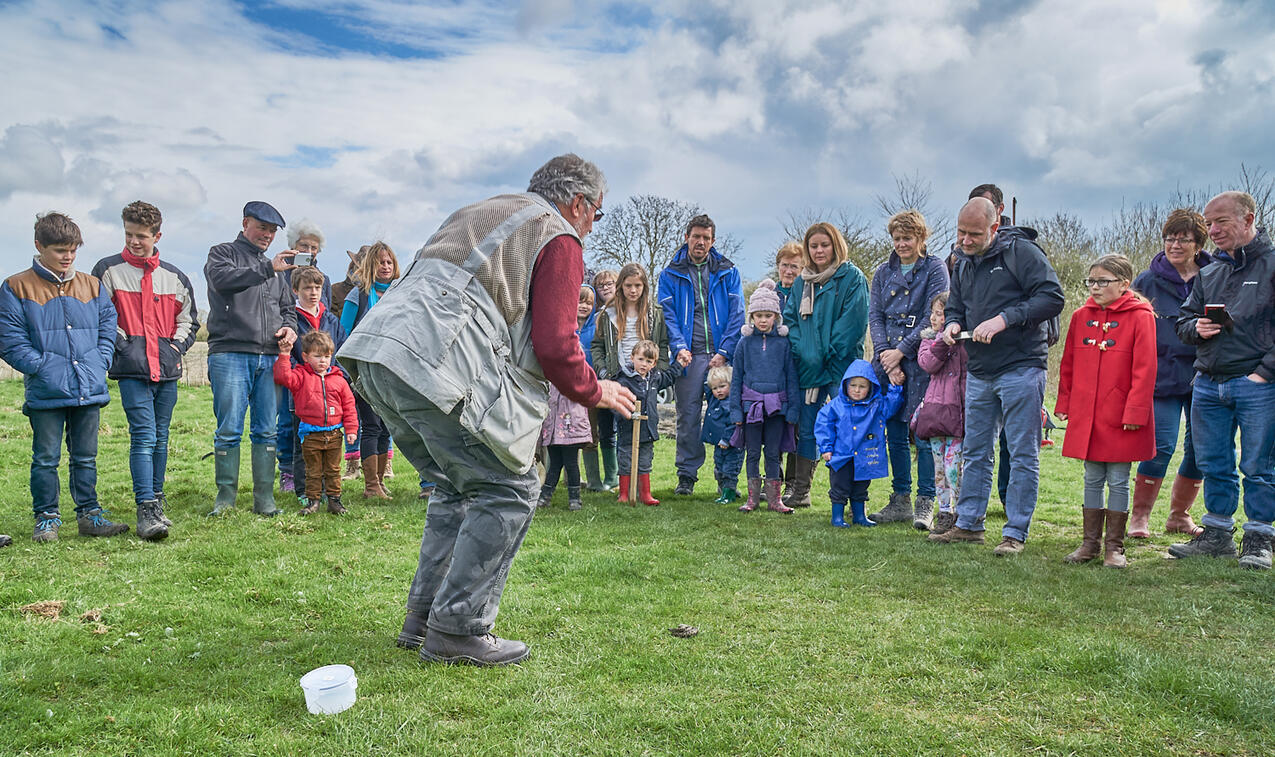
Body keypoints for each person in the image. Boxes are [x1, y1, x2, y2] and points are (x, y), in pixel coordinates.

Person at [337, 154, 635, 666]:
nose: (591, 225)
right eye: (597, 214)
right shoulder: (557, 234)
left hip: (381, 352)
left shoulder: (484, 210)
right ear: (580, 203)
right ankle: (458, 627)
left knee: (456, 486)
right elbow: (555, 343)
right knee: (510, 487)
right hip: (432, 359)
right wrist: (597, 390)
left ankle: (423, 619)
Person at [930, 197, 1064, 555]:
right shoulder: (962, 261)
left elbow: (1052, 298)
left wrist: (1005, 319)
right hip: (980, 369)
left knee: (1022, 453)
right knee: (975, 451)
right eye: (961, 232)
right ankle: (969, 523)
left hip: (1021, 366)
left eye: (974, 233)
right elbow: (956, 303)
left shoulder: (1023, 253)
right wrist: (955, 322)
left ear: (995, 226)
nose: (965, 240)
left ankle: (1015, 532)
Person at [0, 212, 123, 541]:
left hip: (90, 386)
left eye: (72, 250)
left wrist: (100, 360)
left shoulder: (92, 285)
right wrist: (43, 367)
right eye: (59, 250)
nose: (67, 257)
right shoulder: (15, 286)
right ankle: (46, 518)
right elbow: (10, 340)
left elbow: (108, 328)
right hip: (46, 390)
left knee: (86, 456)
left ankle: (90, 516)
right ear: (39, 245)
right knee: (45, 458)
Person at [1170, 191, 1275, 570]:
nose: (1212, 230)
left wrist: (1264, 374)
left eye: (1221, 222)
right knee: (1214, 461)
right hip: (1209, 383)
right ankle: (1217, 535)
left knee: (1260, 465)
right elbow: (1182, 322)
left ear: (1248, 220)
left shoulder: (1272, 266)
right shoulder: (1210, 272)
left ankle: (1260, 538)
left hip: (1258, 385)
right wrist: (1195, 327)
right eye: (1209, 223)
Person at [91, 201, 199, 540]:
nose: (134, 241)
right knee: (144, 436)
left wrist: (174, 348)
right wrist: (125, 346)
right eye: (129, 234)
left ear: (157, 235)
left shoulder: (175, 276)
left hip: (166, 369)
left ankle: (158, 501)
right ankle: (145, 506)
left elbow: (189, 321)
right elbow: (101, 317)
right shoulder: (108, 271)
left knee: (162, 437)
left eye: (141, 236)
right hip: (132, 369)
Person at [1055, 255, 1157, 568]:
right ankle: (1089, 544)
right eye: (1092, 281)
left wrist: (1135, 412)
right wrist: (1064, 402)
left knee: (1119, 477)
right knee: (1091, 476)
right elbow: (1068, 363)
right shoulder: (1080, 315)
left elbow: (1146, 368)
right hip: (1088, 412)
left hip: (1122, 414)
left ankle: (1115, 548)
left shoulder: (1141, 316)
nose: (1095, 287)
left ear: (1124, 284)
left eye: (1103, 282)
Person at [205, 201, 298, 517]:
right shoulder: (222, 253)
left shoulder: (276, 270)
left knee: (266, 431)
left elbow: (287, 308)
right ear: (246, 223)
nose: (268, 235)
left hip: (270, 356)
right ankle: (225, 499)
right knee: (229, 429)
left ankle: (264, 499)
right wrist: (268, 268)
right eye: (263, 228)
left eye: (272, 231)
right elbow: (223, 281)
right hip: (230, 352)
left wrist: (290, 327)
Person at [1128, 209, 1212, 538]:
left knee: (1200, 448)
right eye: (1169, 238)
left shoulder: (1215, 276)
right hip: (1160, 376)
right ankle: (1140, 518)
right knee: (1160, 444)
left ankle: (1179, 515)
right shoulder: (1147, 281)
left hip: (1202, 373)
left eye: (1183, 239)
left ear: (1198, 244)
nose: (1175, 245)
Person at [867, 209, 949, 527]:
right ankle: (900, 498)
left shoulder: (935, 268)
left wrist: (902, 351)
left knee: (924, 432)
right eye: (897, 238)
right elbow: (875, 316)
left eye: (908, 238)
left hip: (922, 358)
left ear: (920, 238)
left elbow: (935, 314)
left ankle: (926, 501)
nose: (901, 244)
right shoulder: (882, 272)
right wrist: (887, 356)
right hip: (887, 359)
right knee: (895, 432)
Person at [783, 222, 870, 509]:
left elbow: (852, 323)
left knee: (849, 427)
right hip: (808, 368)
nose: (819, 250)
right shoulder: (801, 282)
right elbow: (791, 322)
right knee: (808, 429)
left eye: (824, 244)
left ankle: (849, 493)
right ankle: (801, 489)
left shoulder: (852, 278)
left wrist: (825, 351)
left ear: (835, 245)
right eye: (814, 246)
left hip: (841, 366)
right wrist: (804, 351)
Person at [657, 215, 745, 495]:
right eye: (696, 236)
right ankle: (687, 474)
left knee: (731, 414)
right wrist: (679, 347)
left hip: (721, 355)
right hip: (689, 355)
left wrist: (724, 351)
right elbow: (669, 317)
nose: (701, 242)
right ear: (687, 237)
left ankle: (726, 476)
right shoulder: (670, 274)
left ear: (713, 241)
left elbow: (737, 315)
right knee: (688, 415)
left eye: (706, 237)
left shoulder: (728, 271)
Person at [592, 263, 670, 488]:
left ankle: (643, 484)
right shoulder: (608, 314)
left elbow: (662, 345)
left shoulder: (654, 314)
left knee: (646, 430)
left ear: (644, 286)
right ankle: (621, 482)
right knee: (622, 430)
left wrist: (660, 368)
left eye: (638, 285)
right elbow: (597, 346)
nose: (633, 290)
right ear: (621, 286)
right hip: (619, 376)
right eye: (628, 285)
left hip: (644, 378)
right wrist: (603, 371)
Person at [730, 279, 799, 513]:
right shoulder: (743, 344)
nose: (762, 320)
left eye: (767, 315)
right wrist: (736, 410)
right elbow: (737, 378)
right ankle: (752, 499)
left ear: (776, 317)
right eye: (758, 315)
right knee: (752, 453)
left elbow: (791, 376)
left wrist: (792, 408)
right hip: (751, 408)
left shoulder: (783, 344)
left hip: (777, 408)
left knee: (772, 452)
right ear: (751, 317)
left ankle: (774, 500)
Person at [273, 330, 358, 515]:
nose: (323, 361)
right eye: (317, 356)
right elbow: (283, 377)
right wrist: (285, 355)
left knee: (333, 470)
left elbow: (349, 406)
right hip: (311, 434)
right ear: (305, 356)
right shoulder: (301, 377)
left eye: (327, 356)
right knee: (312, 470)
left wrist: (351, 429)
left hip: (334, 434)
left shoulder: (339, 380)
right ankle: (313, 501)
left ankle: (334, 500)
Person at [341, 241, 401, 501]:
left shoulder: (401, 292)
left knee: (387, 427)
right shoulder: (359, 295)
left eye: (389, 262)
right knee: (372, 425)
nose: (385, 266)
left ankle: (378, 482)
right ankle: (371, 485)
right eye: (380, 262)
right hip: (364, 370)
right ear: (370, 266)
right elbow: (343, 333)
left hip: (392, 369)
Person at [276, 219, 332, 493]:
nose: (309, 250)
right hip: (296, 367)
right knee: (288, 423)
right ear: (293, 247)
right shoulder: (281, 276)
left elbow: (326, 322)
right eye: (304, 246)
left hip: (322, 370)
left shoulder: (324, 281)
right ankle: (288, 472)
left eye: (313, 247)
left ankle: (320, 476)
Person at [285, 265, 349, 505]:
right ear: (295, 290)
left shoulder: (330, 319)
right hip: (302, 393)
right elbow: (288, 354)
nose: (313, 292)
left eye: (317, 287)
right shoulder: (291, 318)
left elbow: (342, 349)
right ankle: (304, 491)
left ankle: (327, 490)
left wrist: (338, 376)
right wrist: (302, 376)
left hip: (330, 392)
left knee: (329, 443)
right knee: (304, 446)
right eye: (307, 288)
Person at [815, 359, 904, 528]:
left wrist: (895, 388)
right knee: (839, 487)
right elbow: (823, 425)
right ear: (845, 385)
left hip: (865, 455)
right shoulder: (836, 406)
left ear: (871, 387)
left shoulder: (876, 405)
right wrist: (826, 447)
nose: (857, 390)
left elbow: (891, 407)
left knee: (861, 487)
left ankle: (859, 516)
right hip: (842, 456)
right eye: (853, 385)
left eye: (862, 386)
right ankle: (837, 517)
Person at [537, 287, 598, 511]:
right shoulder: (550, 377)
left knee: (571, 463)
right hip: (554, 425)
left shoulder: (577, 378)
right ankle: (546, 496)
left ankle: (575, 498)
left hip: (571, 423)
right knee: (554, 463)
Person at [915, 293, 967, 536]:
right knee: (939, 469)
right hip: (935, 413)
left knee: (953, 467)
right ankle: (944, 512)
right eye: (933, 313)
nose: (935, 318)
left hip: (958, 412)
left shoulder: (966, 342)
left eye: (941, 313)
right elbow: (928, 364)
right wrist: (943, 342)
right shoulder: (928, 341)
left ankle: (961, 512)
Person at [615, 340, 676, 506]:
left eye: (649, 361)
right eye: (641, 359)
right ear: (632, 357)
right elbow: (616, 403)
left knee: (645, 462)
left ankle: (645, 494)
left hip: (647, 430)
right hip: (628, 430)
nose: (644, 364)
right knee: (626, 461)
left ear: (654, 363)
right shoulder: (623, 379)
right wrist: (625, 414)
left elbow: (669, 377)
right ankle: (624, 494)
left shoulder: (654, 378)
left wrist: (680, 364)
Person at [332, 246, 367, 482]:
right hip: (348, 355)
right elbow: (338, 326)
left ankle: (384, 462)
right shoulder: (338, 291)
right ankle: (352, 462)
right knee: (350, 411)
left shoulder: (377, 290)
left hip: (370, 356)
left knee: (377, 415)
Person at [773, 241, 804, 500]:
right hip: (772, 370)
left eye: (795, 266)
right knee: (773, 424)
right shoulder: (769, 295)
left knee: (796, 426)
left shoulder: (806, 293)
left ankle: (793, 483)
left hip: (799, 367)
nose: (789, 271)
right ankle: (773, 478)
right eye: (785, 265)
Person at [576, 284, 608, 492]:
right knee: (557, 433)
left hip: (589, 386)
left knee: (590, 432)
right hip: (562, 388)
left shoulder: (595, 326)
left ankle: (594, 481)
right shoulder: (563, 325)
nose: (584, 306)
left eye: (589, 302)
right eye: (580, 301)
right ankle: (563, 478)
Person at [702, 365, 741, 504]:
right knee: (719, 468)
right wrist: (710, 368)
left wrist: (726, 440)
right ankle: (727, 490)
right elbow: (706, 385)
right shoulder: (714, 400)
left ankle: (728, 493)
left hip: (732, 445)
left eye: (722, 386)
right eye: (715, 388)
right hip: (718, 445)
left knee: (730, 470)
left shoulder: (732, 404)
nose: (718, 391)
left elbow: (733, 425)